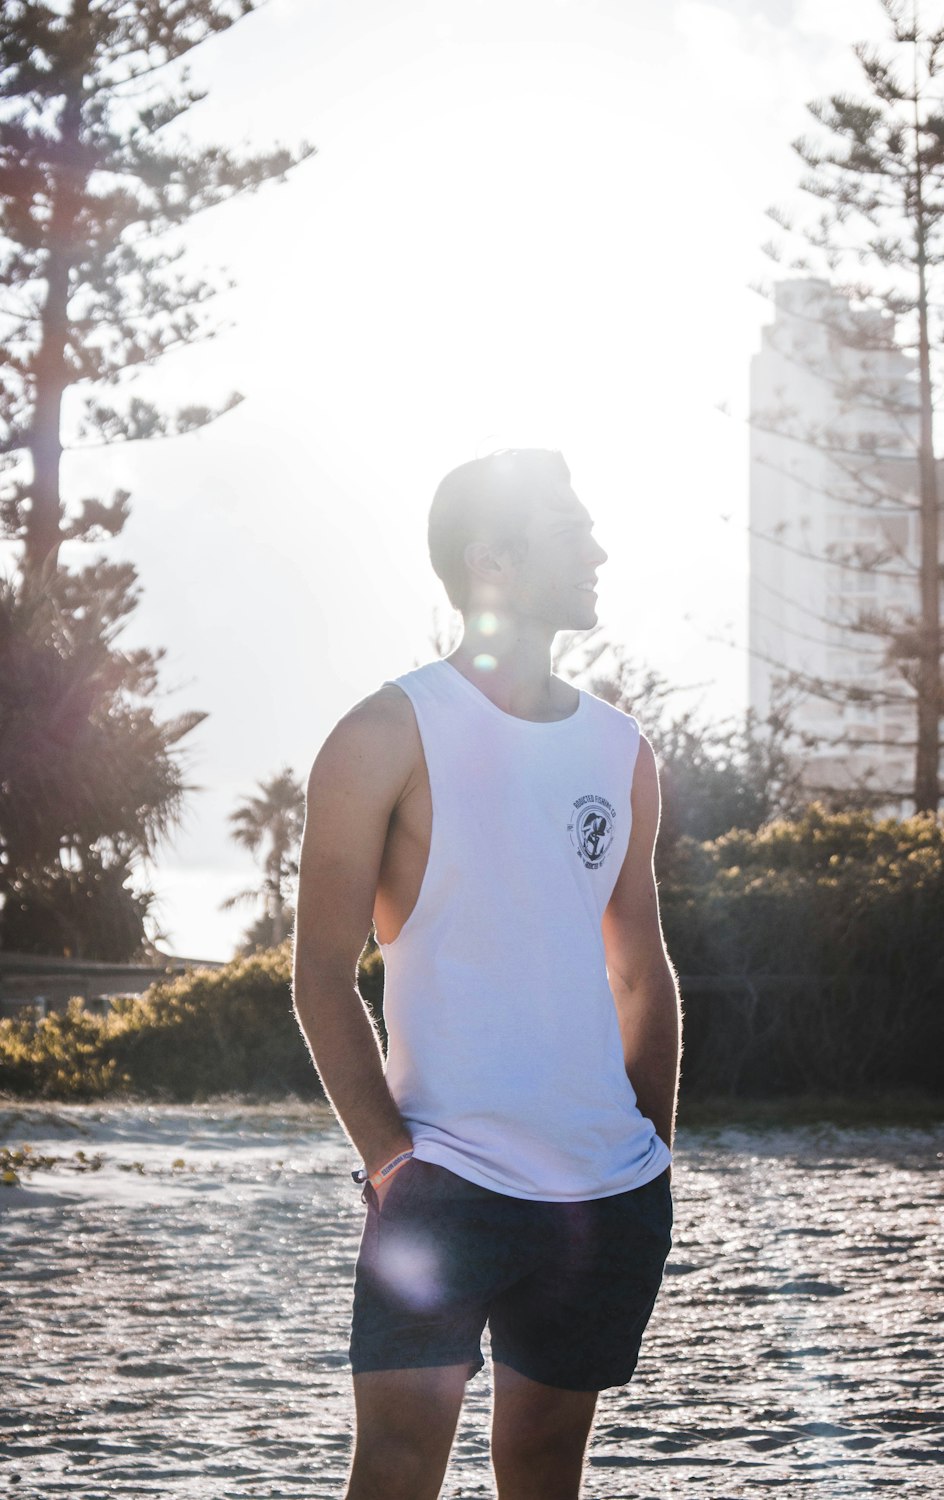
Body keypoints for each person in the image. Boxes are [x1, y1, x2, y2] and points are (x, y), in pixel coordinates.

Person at [292, 449, 682, 1500]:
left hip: (607, 1187)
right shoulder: (384, 732)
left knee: (548, 1465)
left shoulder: (620, 749)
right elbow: (321, 976)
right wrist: (390, 1163)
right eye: (571, 529)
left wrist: (649, 1150)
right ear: (493, 561)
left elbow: (639, 965)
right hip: (444, 1177)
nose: (598, 549)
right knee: (399, 1465)